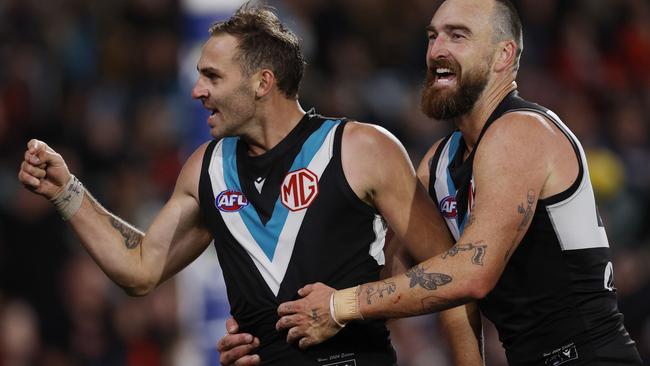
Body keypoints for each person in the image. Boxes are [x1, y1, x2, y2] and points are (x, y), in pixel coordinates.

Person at [17, 4, 484, 366]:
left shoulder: (359, 148)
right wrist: (66, 191)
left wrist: (348, 306)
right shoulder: (206, 168)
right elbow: (140, 269)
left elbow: (451, 276)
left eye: (211, 76)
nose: (197, 90)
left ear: (263, 82)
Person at [273, 0, 644, 365]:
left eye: (457, 36)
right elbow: (394, 277)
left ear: (503, 55)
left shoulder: (522, 131)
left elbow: (470, 272)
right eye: (433, 36)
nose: (437, 50)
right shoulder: (437, 163)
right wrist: (272, 328)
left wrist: (341, 305)